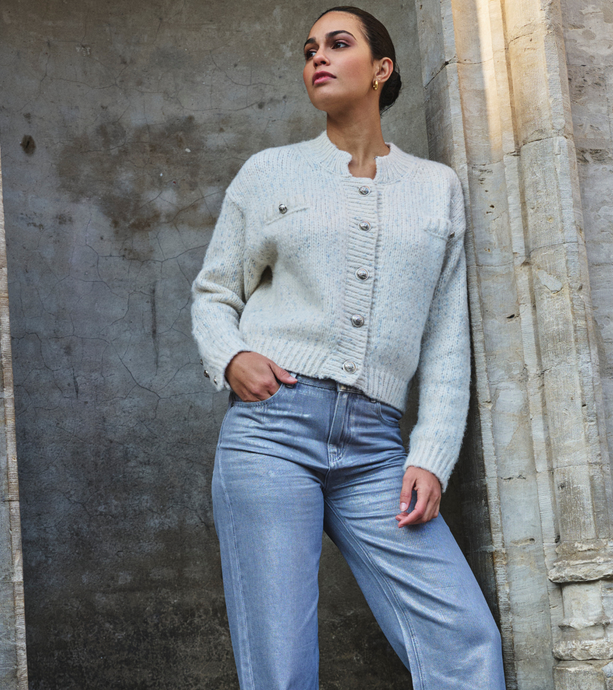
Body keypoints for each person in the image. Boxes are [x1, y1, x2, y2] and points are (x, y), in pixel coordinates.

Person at [191, 6, 506, 689]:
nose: (318, 59)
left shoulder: (436, 190)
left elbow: (446, 339)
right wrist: (231, 357)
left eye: (338, 44)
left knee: (464, 641)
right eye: (310, 50)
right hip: (272, 434)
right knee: (282, 668)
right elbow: (214, 293)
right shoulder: (270, 172)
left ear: (382, 68)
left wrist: (432, 455)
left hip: (377, 450)